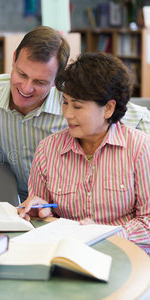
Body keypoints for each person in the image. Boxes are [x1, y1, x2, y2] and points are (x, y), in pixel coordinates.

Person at [0, 25, 150, 202]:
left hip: (69, 205)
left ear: (58, 78)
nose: (26, 88)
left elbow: (136, 117)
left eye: (40, 82)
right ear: (14, 58)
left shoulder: (73, 100)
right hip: (25, 204)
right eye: (22, 74)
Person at [19, 52, 149, 251]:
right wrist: (37, 209)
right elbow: (40, 217)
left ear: (108, 108)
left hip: (124, 254)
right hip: (67, 254)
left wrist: (105, 234)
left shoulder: (140, 148)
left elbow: (147, 221)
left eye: (78, 106)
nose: (68, 114)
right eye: (65, 102)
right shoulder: (48, 149)